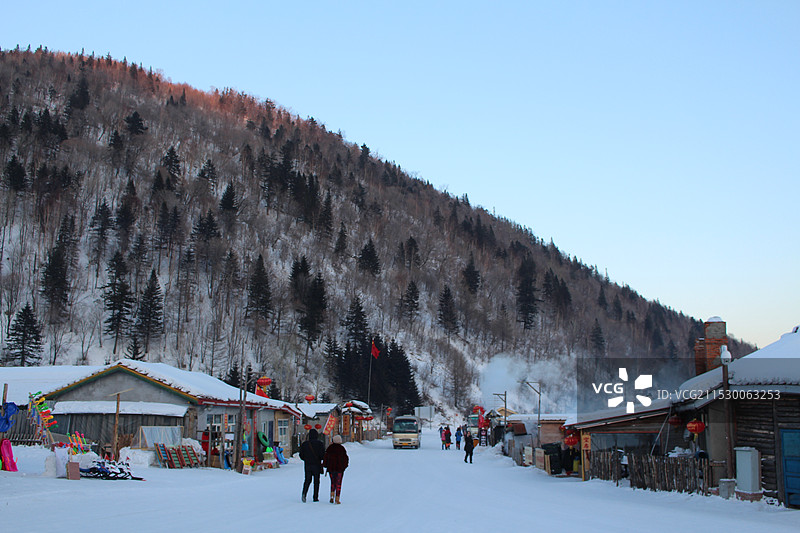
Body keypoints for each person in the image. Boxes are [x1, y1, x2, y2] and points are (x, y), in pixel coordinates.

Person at [299, 429, 325, 502]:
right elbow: (323, 455)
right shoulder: (320, 444)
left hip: (307, 465)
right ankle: (315, 497)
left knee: (307, 480)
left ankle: (304, 494)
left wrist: (306, 459)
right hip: (317, 465)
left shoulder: (305, 444)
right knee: (316, 481)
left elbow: (301, 455)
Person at [323, 434, 349, 504]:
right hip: (340, 469)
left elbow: (325, 458)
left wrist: (325, 465)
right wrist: (344, 467)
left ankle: (331, 496)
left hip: (331, 469)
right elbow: (346, 459)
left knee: (332, 482)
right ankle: (337, 498)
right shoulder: (342, 449)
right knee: (338, 483)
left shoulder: (330, 448)